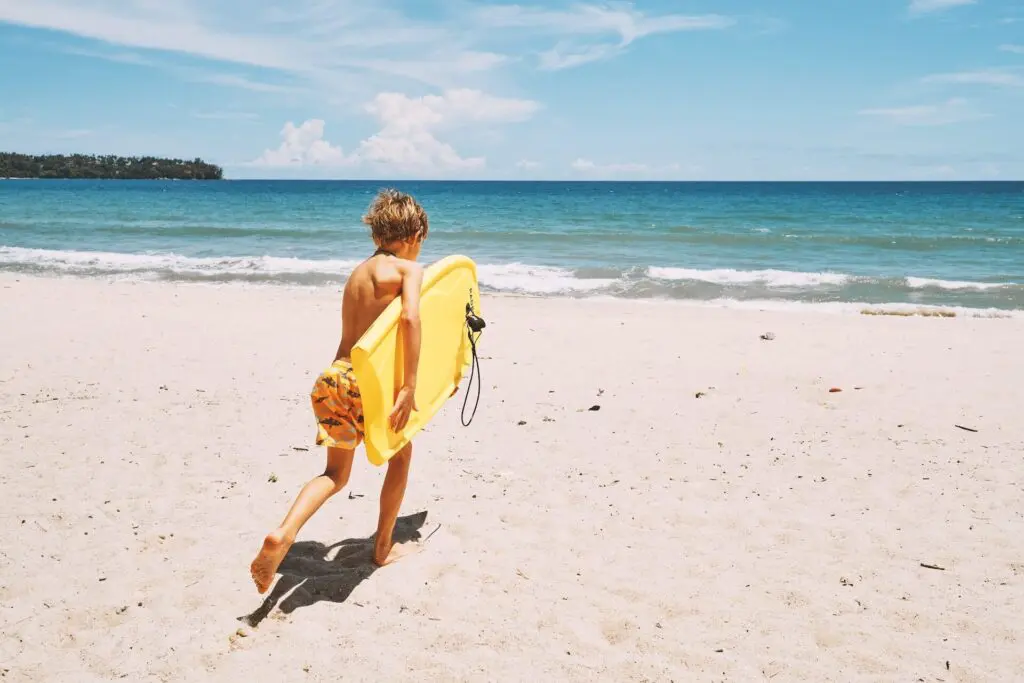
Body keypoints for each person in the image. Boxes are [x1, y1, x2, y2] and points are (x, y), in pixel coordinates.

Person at [250, 188, 430, 594]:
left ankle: (284, 533)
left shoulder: (357, 274)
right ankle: (382, 547)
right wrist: (412, 385)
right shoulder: (408, 272)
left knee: (335, 474)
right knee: (400, 456)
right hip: (367, 383)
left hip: (333, 378)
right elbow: (410, 322)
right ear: (415, 234)